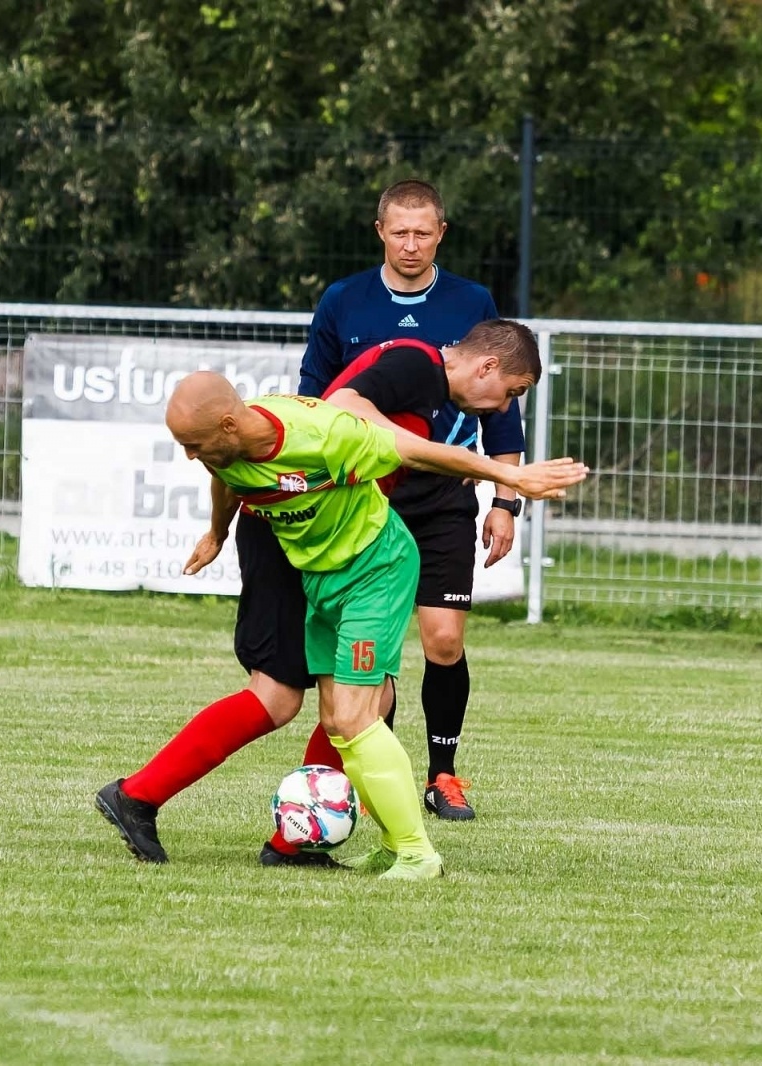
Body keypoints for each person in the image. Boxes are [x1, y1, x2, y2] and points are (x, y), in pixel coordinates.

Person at [95, 368, 585, 881]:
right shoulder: (230, 451)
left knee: (354, 718)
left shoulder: (327, 436)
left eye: (194, 445)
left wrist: (509, 479)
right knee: (343, 716)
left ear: (228, 425)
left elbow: (416, 451)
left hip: (376, 572)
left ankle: (417, 852)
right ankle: (379, 846)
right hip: (322, 583)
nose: (190, 457)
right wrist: (216, 534)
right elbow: (227, 481)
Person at [294, 178, 520, 823]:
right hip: (369, 495)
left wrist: (507, 500)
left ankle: (443, 775)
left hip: (447, 492)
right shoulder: (345, 300)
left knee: (444, 640)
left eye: (424, 232)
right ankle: (374, 778)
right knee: (376, 646)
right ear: (380, 232)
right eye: (400, 232)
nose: (412, 244)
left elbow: (498, 406)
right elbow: (314, 394)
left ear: (441, 233)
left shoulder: (471, 301)